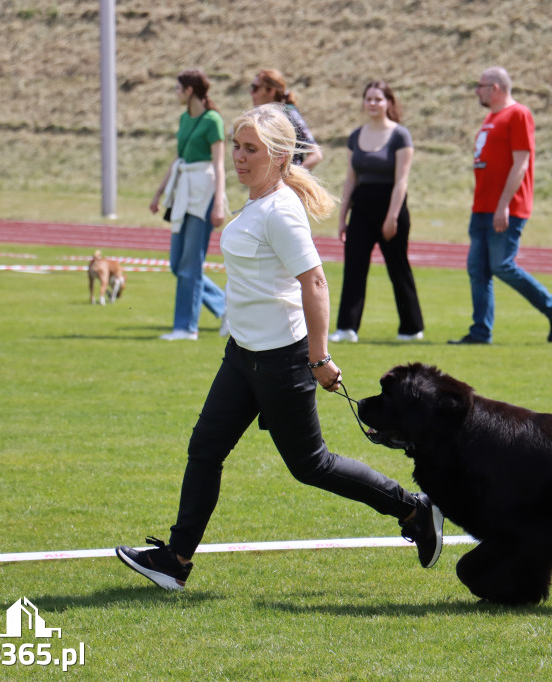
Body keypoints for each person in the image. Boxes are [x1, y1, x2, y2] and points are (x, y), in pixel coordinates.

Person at [116, 103, 444, 591]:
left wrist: (319, 358)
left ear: (279, 155)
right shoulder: (257, 201)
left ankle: (414, 509)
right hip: (242, 355)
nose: (240, 157)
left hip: (281, 362)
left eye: (251, 149)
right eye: (237, 147)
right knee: (204, 449)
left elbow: (314, 283)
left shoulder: (280, 210)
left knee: (311, 465)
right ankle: (175, 561)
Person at [449, 67, 552, 345]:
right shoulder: (491, 118)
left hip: (505, 208)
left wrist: (503, 204)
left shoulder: (518, 114)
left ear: (495, 88)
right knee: (478, 270)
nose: (476, 91)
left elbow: (521, 162)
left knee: (502, 265)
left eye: (480, 86)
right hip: (482, 206)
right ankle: (480, 332)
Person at [330, 81, 424, 344]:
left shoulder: (400, 135)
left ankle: (411, 328)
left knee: (398, 268)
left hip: (391, 207)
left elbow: (401, 180)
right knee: (354, 268)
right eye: (368, 99)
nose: (373, 103)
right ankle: (347, 328)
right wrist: (342, 216)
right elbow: (351, 179)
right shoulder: (355, 136)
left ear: (388, 103)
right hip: (361, 208)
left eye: (378, 99)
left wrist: (392, 216)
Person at [150, 69, 227, 341]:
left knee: (191, 263)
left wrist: (219, 201)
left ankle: (185, 327)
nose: (175, 92)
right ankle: (226, 305)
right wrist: (159, 193)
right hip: (183, 190)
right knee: (177, 263)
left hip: (203, 192)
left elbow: (219, 164)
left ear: (190, 90)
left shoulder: (213, 120)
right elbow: (178, 158)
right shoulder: (184, 119)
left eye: (177, 87)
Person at [249, 69, 323, 170]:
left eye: (255, 88)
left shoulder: (289, 114)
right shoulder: (259, 116)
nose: (251, 92)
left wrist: (291, 178)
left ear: (271, 91)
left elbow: (316, 155)